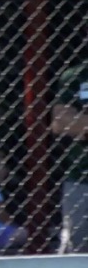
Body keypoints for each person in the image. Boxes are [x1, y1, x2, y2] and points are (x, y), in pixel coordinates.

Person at [51, 63, 88, 254]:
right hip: (83, 176)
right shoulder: (77, 75)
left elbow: (75, 122)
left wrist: (83, 124)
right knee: (79, 250)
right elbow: (62, 121)